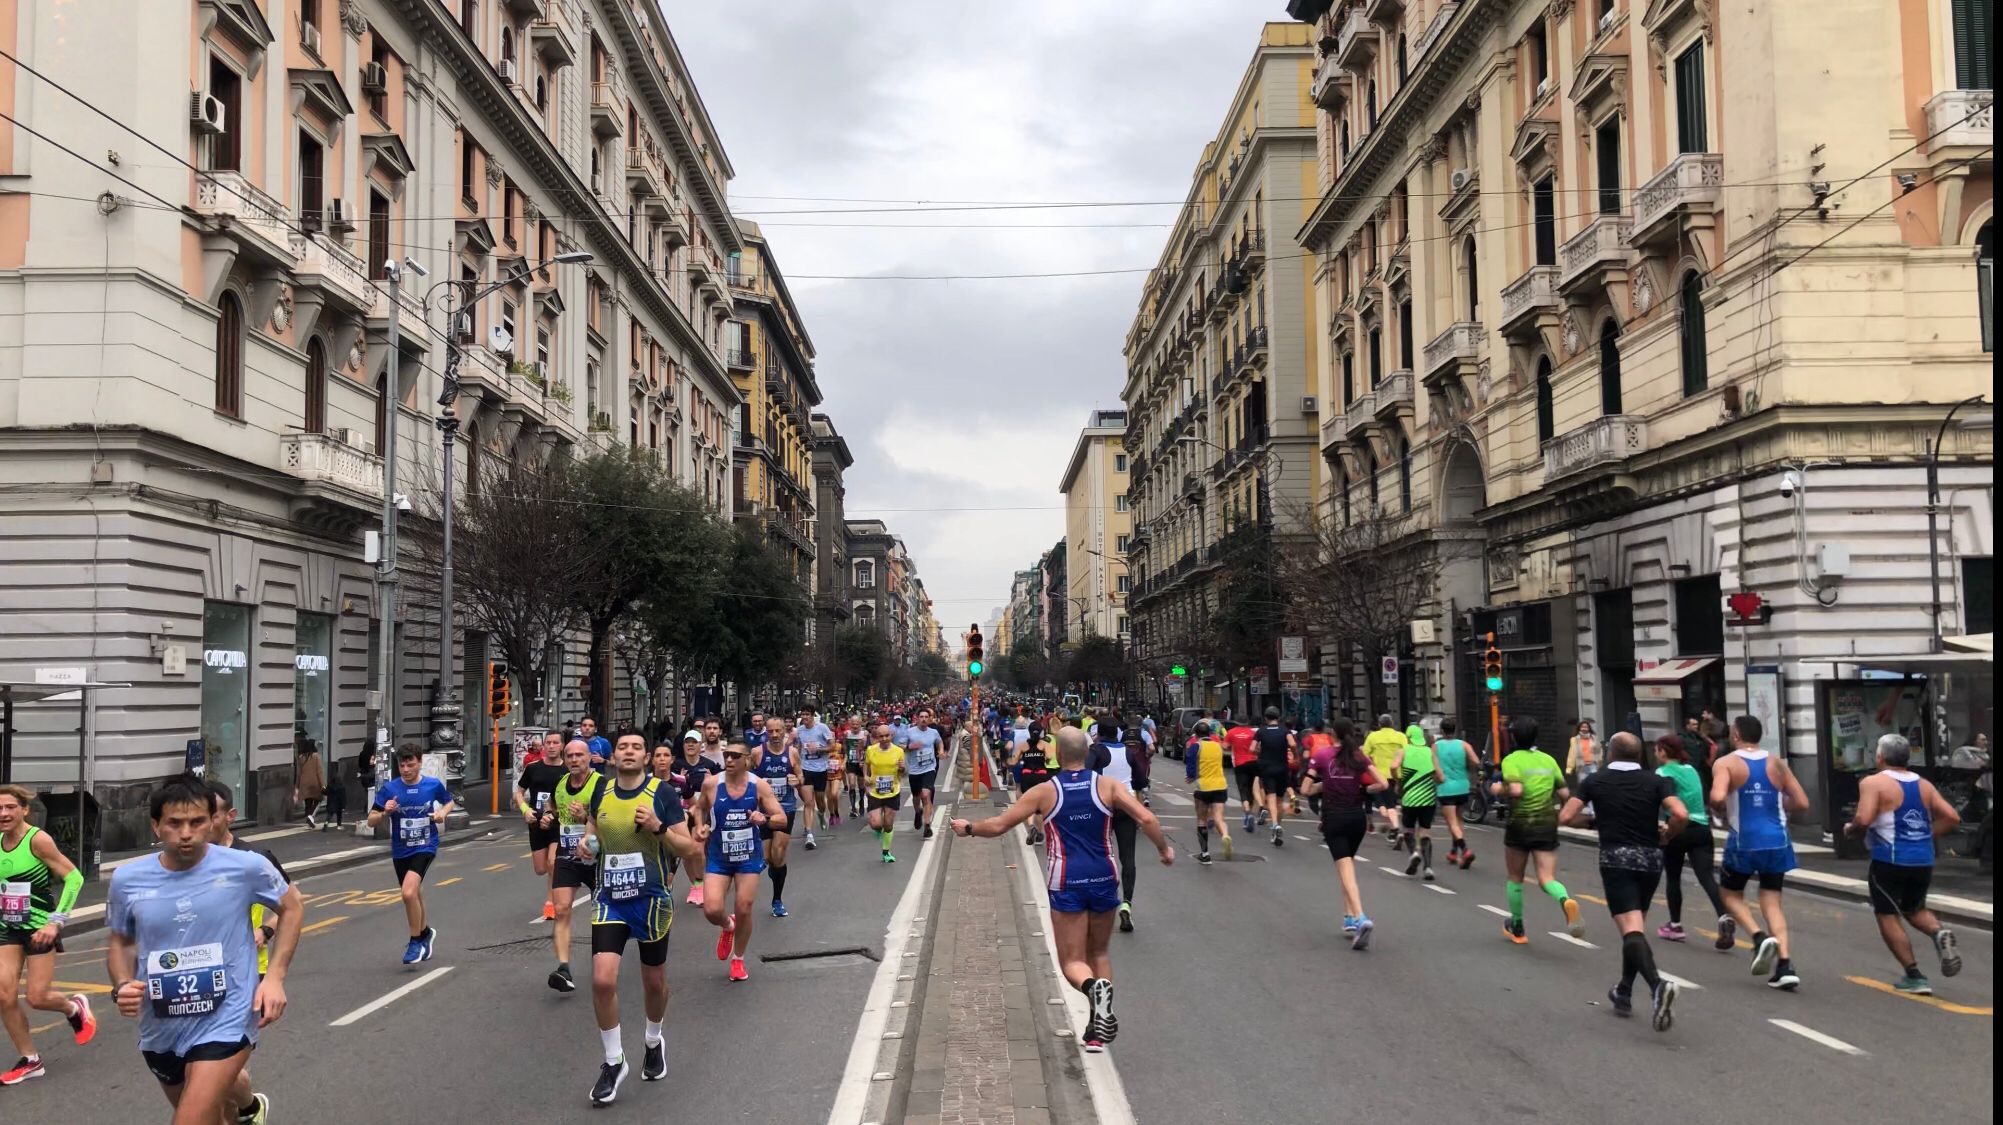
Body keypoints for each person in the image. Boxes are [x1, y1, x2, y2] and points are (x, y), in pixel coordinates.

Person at [951, 727, 1172, 1052]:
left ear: (1057, 755)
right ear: (1087, 753)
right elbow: (1147, 819)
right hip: (1103, 877)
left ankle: (1091, 988)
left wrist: (969, 828)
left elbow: (999, 825)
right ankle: (1097, 1031)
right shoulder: (1107, 786)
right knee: (1098, 953)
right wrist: (1164, 850)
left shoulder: (1045, 792)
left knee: (1072, 961)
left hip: (1066, 880)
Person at [105, 774, 299, 1125]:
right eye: (174, 823)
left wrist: (275, 978)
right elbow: (120, 940)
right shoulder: (127, 880)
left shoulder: (246, 866)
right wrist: (122, 984)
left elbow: (293, 906)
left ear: (213, 822)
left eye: (196, 822)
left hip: (228, 1015)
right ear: (156, 826)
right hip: (160, 1024)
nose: (186, 833)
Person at [578, 732, 702, 1104]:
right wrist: (588, 846)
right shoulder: (600, 792)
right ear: (613, 757)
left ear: (646, 757)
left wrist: (658, 828)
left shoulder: (661, 794)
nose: (628, 752)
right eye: (622, 748)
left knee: (654, 983)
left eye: (636, 748)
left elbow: (689, 845)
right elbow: (593, 833)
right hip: (610, 900)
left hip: (650, 901)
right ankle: (613, 1062)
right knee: (602, 981)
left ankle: (653, 1040)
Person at [1559, 732, 1686, 1032]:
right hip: (1651, 860)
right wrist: (1668, 834)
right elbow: (1680, 813)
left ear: (1610, 753)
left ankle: (1657, 987)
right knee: (1636, 927)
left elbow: (1565, 816)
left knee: (1630, 929)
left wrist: (1593, 822)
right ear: (1639, 755)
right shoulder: (1656, 781)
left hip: (1616, 858)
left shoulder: (1595, 781)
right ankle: (1624, 990)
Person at [1844, 733, 1963, 994]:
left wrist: (1850, 830)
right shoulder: (1924, 785)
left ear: (1880, 757)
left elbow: (1863, 819)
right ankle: (1939, 933)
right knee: (1913, 908)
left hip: (1890, 859)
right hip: (1922, 859)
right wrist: (1925, 834)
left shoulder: (1873, 783)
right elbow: (1952, 817)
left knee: (1887, 914)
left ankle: (1914, 975)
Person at [205, 778, 287, 1124]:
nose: (200, 825)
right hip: (201, 975)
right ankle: (249, 1108)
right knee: (209, 1073)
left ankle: (247, 1107)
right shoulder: (183, 862)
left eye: (210, 815)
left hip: (248, 975)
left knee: (214, 1073)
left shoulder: (253, 859)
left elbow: (290, 906)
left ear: (230, 816)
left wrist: (266, 929)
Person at [0, 784, 92, 1087]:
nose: (4, 814)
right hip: (7, 928)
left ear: (24, 810)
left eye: (10, 807)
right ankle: (30, 1060)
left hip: (39, 928)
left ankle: (73, 1008)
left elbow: (74, 877)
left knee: (37, 997)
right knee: (3, 994)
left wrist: (56, 923)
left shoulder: (37, 840)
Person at [1710, 714, 1808, 990]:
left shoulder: (1726, 763)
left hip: (1744, 840)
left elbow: (1718, 797)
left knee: (1730, 894)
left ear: (1737, 735)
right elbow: (1801, 802)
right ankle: (1785, 965)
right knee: (1773, 900)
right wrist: (1773, 805)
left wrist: (1718, 807)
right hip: (1778, 839)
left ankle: (1757, 937)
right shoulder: (1777, 763)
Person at [693, 740, 789, 982]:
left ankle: (738, 959)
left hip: (748, 856)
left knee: (744, 906)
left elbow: (782, 819)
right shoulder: (713, 784)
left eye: (736, 756)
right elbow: (698, 808)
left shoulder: (760, 786)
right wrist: (700, 826)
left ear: (747, 760)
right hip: (719, 856)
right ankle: (728, 925)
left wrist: (764, 818)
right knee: (712, 909)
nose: (729, 760)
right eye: (726, 755)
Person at [1491, 717, 1583, 944]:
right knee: (1546, 878)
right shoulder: (1548, 760)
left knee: (1515, 878)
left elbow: (1516, 789)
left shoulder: (1511, 760)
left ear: (1514, 737)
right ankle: (1564, 900)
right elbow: (1563, 794)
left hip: (1520, 824)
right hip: (1546, 824)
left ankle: (1518, 928)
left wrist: (1497, 788)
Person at [1300, 718, 1386, 948]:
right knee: (1347, 865)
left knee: (1345, 867)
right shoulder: (1359, 756)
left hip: (1334, 818)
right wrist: (1363, 788)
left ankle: (1360, 918)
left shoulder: (1322, 755)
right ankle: (1348, 917)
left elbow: (1305, 790)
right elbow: (1383, 783)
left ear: (1332, 734)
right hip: (1357, 819)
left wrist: (1323, 785)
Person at [366, 743, 454, 964]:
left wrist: (442, 812)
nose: (406, 769)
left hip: (425, 845)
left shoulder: (432, 785)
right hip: (401, 848)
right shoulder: (390, 789)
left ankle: (415, 940)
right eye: (402, 765)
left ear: (419, 763)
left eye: (410, 764)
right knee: (414, 893)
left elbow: (449, 801)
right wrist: (385, 812)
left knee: (407, 893)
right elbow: (371, 820)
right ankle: (425, 933)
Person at [1653, 735, 1732, 949]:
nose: (1655, 753)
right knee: (1706, 876)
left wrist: (1663, 827)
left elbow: (1664, 799)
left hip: (1678, 828)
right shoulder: (1692, 770)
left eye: (1656, 749)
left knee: (1673, 877)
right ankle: (1724, 916)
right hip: (1702, 828)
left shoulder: (1662, 773)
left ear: (1663, 752)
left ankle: (1675, 925)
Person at [547, 739, 604, 994]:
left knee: (602, 912)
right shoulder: (561, 783)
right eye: (569, 755)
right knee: (561, 909)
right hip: (566, 855)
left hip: (596, 857)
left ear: (590, 757)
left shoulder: (601, 784)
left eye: (579, 755)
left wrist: (585, 817)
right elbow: (553, 807)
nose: (573, 759)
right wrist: (548, 817)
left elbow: (610, 819)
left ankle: (604, 958)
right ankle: (564, 968)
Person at [1086, 728, 1150, 932]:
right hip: (1126, 806)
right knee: (1128, 857)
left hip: (1103, 807)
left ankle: (1103, 898)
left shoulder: (1096, 751)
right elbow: (1141, 781)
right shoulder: (1128, 753)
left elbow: (1086, 774)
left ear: (1100, 734)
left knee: (1101, 853)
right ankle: (1127, 903)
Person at [518, 730, 569, 922]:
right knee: (541, 869)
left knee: (552, 862)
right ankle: (561, 884)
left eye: (556, 742)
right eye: (548, 742)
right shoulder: (533, 768)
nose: (552, 746)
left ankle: (551, 903)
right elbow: (519, 793)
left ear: (562, 745)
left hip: (559, 822)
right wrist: (525, 810)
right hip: (536, 821)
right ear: (544, 745)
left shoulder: (567, 770)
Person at [755, 716, 803, 918]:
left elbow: (801, 778)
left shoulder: (792, 753)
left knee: (778, 855)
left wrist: (796, 780)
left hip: (786, 810)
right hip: (764, 812)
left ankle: (777, 900)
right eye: (771, 731)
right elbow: (746, 778)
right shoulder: (757, 753)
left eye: (778, 731)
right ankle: (775, 873)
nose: (774, 735)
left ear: (785, 731)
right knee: (767, 857)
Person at [1396, 724, 1444, 880]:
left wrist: (1399, 779)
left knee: (1408, 829)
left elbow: (1393, 766)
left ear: (1408, 738)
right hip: (1428, 798)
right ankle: (1428, 867)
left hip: (1409, 798)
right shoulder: (1430, 752)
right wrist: (1432, 781)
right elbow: (1440, 777)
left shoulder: (1403, 751)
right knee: (1425, 831)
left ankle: (1414, 853)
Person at [1184, 721, 1235, 863]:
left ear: (1196, 734)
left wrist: (1190, 776)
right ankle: (1225, 836)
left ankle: (1205, 853)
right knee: (1219, 817)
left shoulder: (1196, 746)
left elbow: (1190, 763)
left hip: (1204, 787)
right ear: (1209, 734)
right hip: (1220, 785)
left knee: (1202, 819)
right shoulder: (1218, 746)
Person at [1434, 719, 1480, 869]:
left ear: (1442, 731)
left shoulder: (1436, 746)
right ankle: (1453, 852)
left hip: (1446, 787)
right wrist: (1466, 765)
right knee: (1459, 820)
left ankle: (1465, 850)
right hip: (1462, 786)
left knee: (1452, 823)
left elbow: (1433, 766)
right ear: (1455, 730)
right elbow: (1475, 761)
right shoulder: (1464, 745)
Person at [862, 724, 908, 862]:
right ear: (877, 737)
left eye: (886, 735)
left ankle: (886, 852)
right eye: (881, 736)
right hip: (875, 792)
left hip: (892, 791)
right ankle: (878, 830)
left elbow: (904, 773)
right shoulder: (871, 750)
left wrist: (902, 768)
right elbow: (866, 764)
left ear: (891, 736)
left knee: (888, 824)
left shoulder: (899, 751)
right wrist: (865, 776)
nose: (884, 738)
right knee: (875, 824)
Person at [794, 703, 837, 848]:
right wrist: (796, 764)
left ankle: (821, 814)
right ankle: (809, 835)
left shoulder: (822, 728)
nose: (804, 717)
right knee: (808, 802)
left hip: (820, 769)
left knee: (819, 800)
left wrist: (820, 749)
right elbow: (798, 748)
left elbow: (832, 746)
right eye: (803, 714)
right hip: (805, 769)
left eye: (807, 714)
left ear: (813, 716)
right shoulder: (799, 731)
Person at [1252, 708, 1295, 847]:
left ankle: (1275, 824)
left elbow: (1252, 748)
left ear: (1266, 718)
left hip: (1267, 767)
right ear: (1279, 717)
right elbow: (1293, 744)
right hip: (1282, 767)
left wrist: (1261, 751)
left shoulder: (1261, 731)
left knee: (1271, 795)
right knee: (1280, 799)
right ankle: (1278, 826)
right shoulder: (1284, 731)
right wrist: (1295, 755)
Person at [1362, 714, 1408, 842]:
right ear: (1392, 723)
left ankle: (1395, 828)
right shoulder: (1401, 736)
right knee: (1390, 804)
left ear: (1379, 724)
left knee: (1384, 805)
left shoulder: (1373, 737)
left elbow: (1364, 755)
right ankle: (1394, 826)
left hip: (1379, 776)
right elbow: (1406, 753)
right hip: (1396, 775)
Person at [902, 707, 946, 838]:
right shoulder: (909, 732)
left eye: (926, 717)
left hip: (929, 768)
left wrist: (941, 751)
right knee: (916, 797)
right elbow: (900, 746)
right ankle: (917, 812)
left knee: (926, 795)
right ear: (917, 718)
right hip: (915, 770)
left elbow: (939, 742)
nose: (924, 719)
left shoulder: (933, 732)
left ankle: (927, 826)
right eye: (921, 717)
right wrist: (910, 747)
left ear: (929, 719)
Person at [1010, 723, 1054, 845]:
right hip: (1041, 776)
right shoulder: (1045, 745)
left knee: (1029, 804)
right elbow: (1050, 758)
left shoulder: (1023, 746)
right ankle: (1040, 834)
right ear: (1041, 732)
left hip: (1027, 776)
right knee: (1039, 807)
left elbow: (1014, 761)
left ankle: (1031, 826)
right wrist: (1044, 757)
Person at [1225, 718, 1260, 832]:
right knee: (1251, 788)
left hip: (1240, 764)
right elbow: (1258, 748)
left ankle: (1247, 813)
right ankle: (1249, 812)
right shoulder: (1252, 732)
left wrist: (1233, 747)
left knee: (1243, 789)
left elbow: (1224, 746)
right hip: (1253, 763)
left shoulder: (1232, 732)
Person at [292, 739, 325, 830]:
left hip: (304, 784)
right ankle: (311, 817)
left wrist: (297, 786)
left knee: (308, 803)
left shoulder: (301, 757)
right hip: (314, 783)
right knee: (319, 799)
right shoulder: (316, 756)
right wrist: (323, 785)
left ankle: (309, 818)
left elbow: (298, 773)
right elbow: (319, 772)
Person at [1565, 719, 1599, 789]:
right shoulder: (1574, 739)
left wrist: (1600, 764)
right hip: (1581, 766)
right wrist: (1570, 767)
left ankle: (1592, 799)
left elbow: (1599, 752)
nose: (1584, 729)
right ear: (1579, 728)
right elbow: (1572, 754)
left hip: (1593, 765)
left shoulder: (1594, 738)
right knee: (1583, 785)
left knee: (1594, 785)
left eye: (1586, 727)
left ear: (1589, 728)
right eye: (1582, 727)